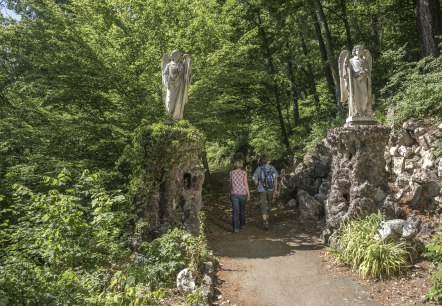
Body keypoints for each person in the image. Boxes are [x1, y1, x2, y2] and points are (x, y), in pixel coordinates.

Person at [161, 50, 192, 120]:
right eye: (176, 55)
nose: (177, 56)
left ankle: (177, 117)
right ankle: (170, 116)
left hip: (179, 85)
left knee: (179, 100)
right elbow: (165, 74)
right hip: (171, 85)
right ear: (173, 56)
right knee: (170, 100)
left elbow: (187, 72)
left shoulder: (182, 65)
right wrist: (170, 78)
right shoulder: (169, 65)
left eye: (178, 55)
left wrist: (188, 61)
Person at [253, 155, 278, 230]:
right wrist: (275, 190)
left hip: (262, 189)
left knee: (263, 204)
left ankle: (264, 221)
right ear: (267, 160)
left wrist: (257, 185)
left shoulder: (258, 169)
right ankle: (267, 219)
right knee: (269, 204)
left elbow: (255, 181)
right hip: (271, 189)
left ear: (260, 161)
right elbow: (276, 180)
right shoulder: (272, 168)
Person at [230, 159, 250, 233]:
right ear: (241, 164)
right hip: (243, 193)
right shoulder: (244, 172)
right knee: (242, 209)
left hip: (234, 193)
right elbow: (246, 183)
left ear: (235, 164)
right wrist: (248, 193)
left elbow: (231, 183)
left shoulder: (231, 173)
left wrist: (230, 191)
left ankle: (236, 228)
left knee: (235, 211)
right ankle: (242, 224)